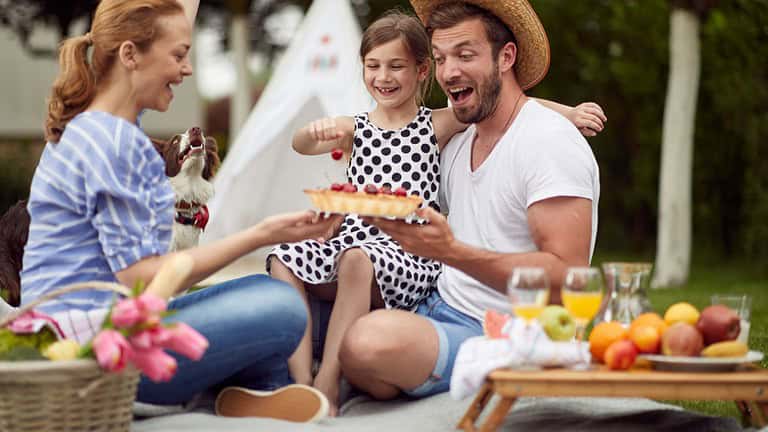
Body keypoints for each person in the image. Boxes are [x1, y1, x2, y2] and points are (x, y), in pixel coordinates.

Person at [267, 8, 604, 414]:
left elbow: (569, 277)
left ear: (506, 57)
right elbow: (392, 184)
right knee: (262, 317)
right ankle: (290, 389)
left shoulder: (548, 143)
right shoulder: (460, 140)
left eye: (465, 54)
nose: (448, 72)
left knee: (366, 342)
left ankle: (327, 390)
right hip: (426, 301)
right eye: (442, 57)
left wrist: (450, 252)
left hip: (497, 327)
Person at [20, 0, 340, 422]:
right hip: (90, 352)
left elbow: (168, 21)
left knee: (274, 298)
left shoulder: (93, 125)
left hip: (82, 326)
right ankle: (237, 388)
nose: (187, 69)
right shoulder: (116, 142)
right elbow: (144, 279)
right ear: (130, 54)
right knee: (282, 306)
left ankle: (251, 393)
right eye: (179, 55)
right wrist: (261, 234)